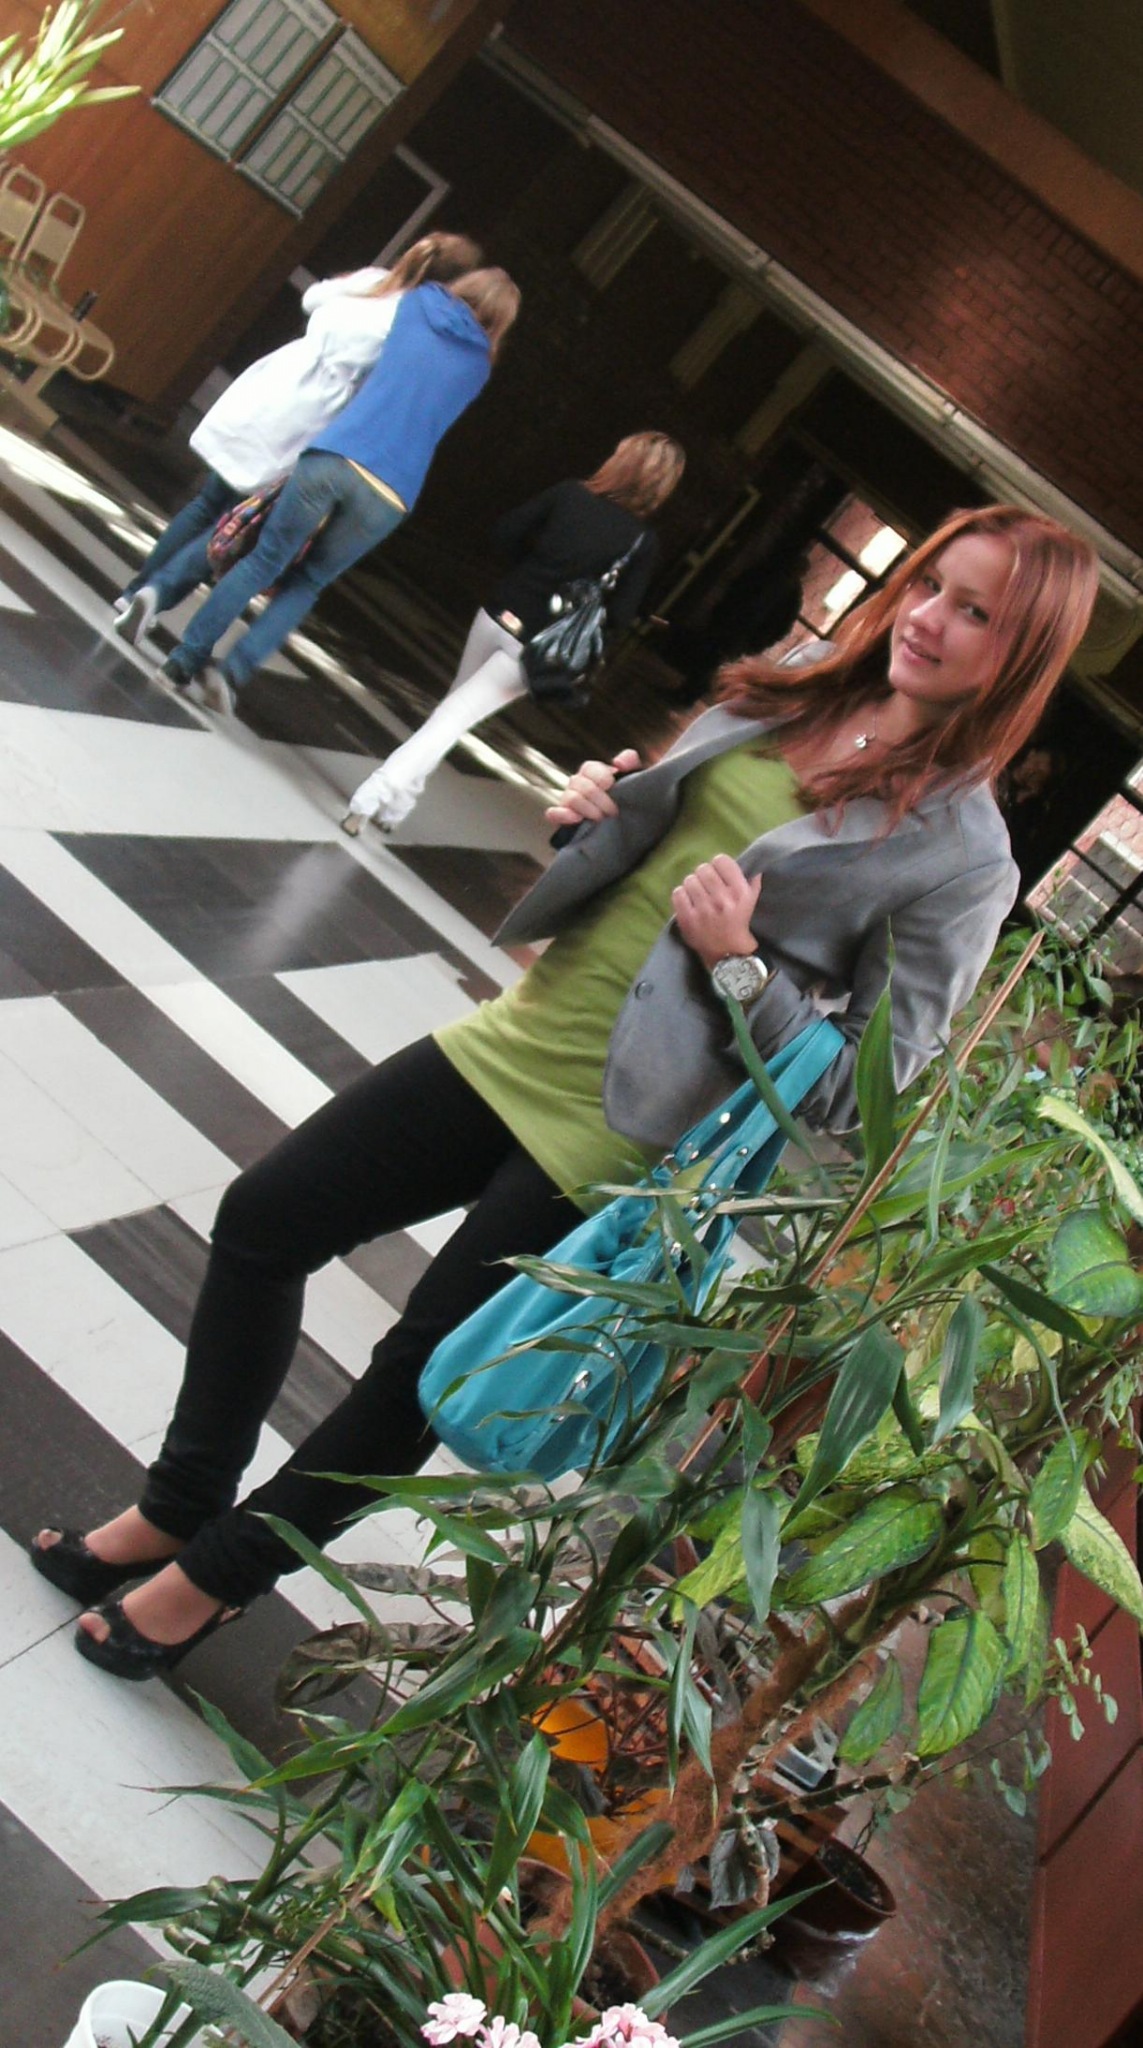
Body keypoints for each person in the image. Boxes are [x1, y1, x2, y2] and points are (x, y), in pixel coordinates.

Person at [30, 503, 1098, 1679]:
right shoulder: (793, 690)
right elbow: (657, 843)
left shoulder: (965, 857)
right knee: (265, 1217)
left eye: (974, 612)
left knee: (417, 1374)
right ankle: (182, 1500)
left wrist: (742, 965)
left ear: (1021, 655)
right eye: (933, 584)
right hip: (523, 1035)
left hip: (626, 1133)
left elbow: (868, 1092)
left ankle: (211, 1581)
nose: (930, 617)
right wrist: (598, 809)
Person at [155, 268, 520, 716]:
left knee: (263, 561)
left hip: (337, 453)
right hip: (391, 491)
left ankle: (183, 660)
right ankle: (232, 673)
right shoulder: (480, 368)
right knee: (308, 583)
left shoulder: (419, 303)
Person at [113, 233, 482, 648]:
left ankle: (135, 592)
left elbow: (312, 298)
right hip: (314, 416)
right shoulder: (412, 325)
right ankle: (155, 596)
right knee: (237, 524)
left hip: (277, 382)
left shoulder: (370, 281)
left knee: (206, 503)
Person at [341, 431, 685, 835]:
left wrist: (533, 568)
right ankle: (376, 794)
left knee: (453, 708)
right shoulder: (642, 542)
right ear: (660, 487)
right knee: (455, 716)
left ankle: (399, 804)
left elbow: (505, 532)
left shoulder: (570, 494)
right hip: (538, 647)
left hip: (500, 612)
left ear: (619, 461)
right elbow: (621, 614)